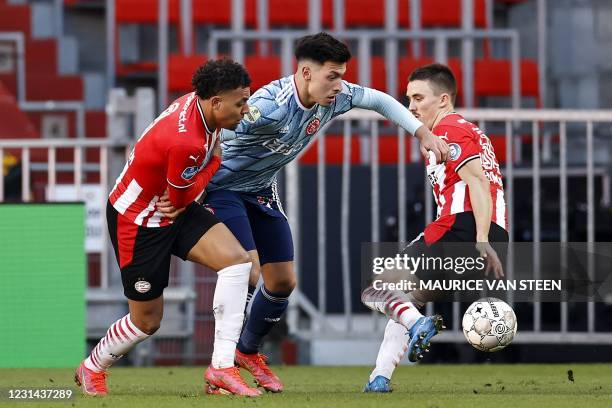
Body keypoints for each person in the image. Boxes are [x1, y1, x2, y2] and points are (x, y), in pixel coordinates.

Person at [157, 32, 449, 393]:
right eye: (332, 76)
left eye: (342, 75)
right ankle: (222, 366)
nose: (339, 85)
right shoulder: (268, 106)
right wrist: (182, 187)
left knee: (282, 281)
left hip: (262, 189)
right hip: (224, 187)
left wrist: (420, 132)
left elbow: (378, 100)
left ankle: (247, 352)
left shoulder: (336, 98)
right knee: (246, 270)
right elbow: (211, 131)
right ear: (306, 73)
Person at [74, 59, 262, 397]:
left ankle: (221, 369)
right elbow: (180, 197)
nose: (245, 110)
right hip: (139, 220)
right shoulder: (187, 141)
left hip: (174, 209)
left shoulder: (201, 104)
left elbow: (180, 201)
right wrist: (215, 161)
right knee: (146, 321)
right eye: (240, 102)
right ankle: (92, 367)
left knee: (238, 263)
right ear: (216, 101)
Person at [361, 63, 508, 393]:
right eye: (408, 98)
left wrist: (481, 239)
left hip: (463, 227)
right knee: (405, 302)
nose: (411, 107)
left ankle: (416, 326)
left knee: (375, 288)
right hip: (494, 232)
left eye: (418, 97)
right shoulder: (470, 132)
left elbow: (478, 183)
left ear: (443, 99)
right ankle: (379, 379)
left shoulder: (450, 130)